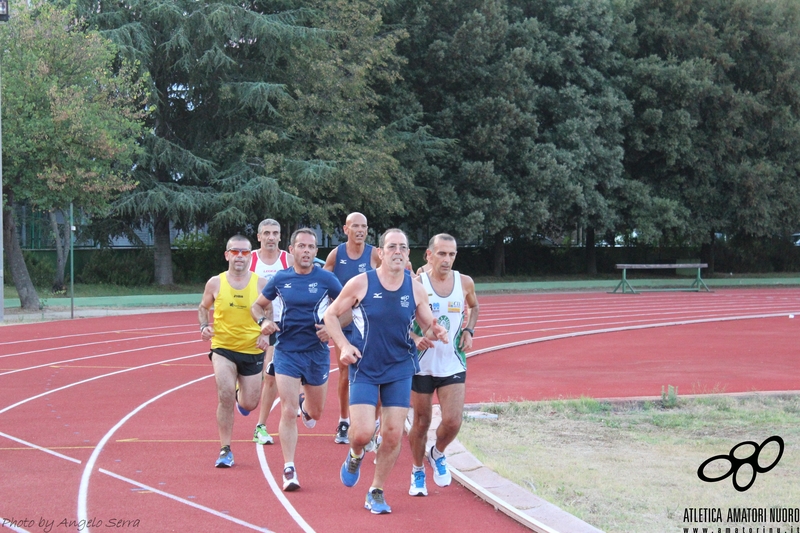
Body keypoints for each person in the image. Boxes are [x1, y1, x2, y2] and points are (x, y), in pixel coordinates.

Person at [324, 228, 448, 514]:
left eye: (403, 248)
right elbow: (330, 315)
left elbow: (426, 318)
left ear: (408, 255)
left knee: (392, 434)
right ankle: (355, 454)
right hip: (365, 366)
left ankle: (376, 490)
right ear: (380, 253)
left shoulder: (415, 286)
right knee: (363, 433)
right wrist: (342, 345)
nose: (397, 252)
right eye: (391, 247)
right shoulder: (361, 283)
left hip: (399, 367)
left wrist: (436, 328)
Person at [251, 228, 343, 491]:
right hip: (287, 351)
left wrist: (332, 329)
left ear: (316, 252)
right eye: (301, 246)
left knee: (315, 413)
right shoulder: (280, 279)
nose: (305, 251)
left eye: (310, 247)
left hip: (316, 353)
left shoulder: (327, 279)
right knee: (288, 411)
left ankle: (306, 407)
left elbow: (350, 308)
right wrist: (264, 321)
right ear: (291, 250)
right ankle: (289, 468)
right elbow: (257, 306)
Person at [407, 234, 479, 496]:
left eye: (451, 254)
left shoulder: (465, 282)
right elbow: (399, 319)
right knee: (422, 422)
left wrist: (469, 330)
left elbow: (475, 305)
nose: (446, 259)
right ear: (428, 255)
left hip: (453, 362)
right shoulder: (417, 284)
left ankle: (437, 453)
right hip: (422, 366)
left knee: (452, 421)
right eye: (441, 253)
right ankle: (417, 471)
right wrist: (415, 337)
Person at [199, 235, 270, 468]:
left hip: (252, 349)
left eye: (245, 252)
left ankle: (242, 394)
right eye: (235, 251)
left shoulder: (260, 284)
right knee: (225, 393)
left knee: (250, 404)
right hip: (223, 348)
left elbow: (269, 312)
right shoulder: (215, 283)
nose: (240, 256)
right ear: (227, 255)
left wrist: (265, 333)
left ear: (251, 256)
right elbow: (203, 306)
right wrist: (203, 326)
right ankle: (225, 449)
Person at [323, 212, 381, 445]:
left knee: (373, 373)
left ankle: (372, 424)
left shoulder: (374, 254)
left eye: (364, 226)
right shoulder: (336, 254)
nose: (360, 230)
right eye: (355, 226)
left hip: (367, 324)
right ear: (345, 229)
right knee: (346, 373)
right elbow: (322, 280)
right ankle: (344, 420)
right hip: (344, 323)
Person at [248, 219, 295, 446]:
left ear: (279, 236)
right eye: (266, 233)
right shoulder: (250, 260)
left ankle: (261, 426)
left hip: (280, 325)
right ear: (259, 237)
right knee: (251, 382)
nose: (271, 237)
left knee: (270, 375)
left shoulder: (288, 259)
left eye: (275, 233)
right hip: (253, 324)